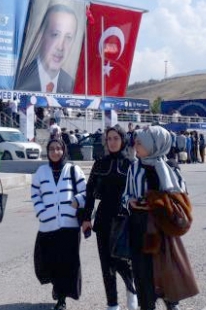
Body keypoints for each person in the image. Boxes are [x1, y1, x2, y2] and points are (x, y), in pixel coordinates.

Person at [122, 126, 197, 310]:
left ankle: (172, 303)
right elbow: (125, 195)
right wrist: (130, 202)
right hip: (139, 229)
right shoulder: (134, 167)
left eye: (140, 143)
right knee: (142, 275)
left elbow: (182, 199)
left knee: (167, 273)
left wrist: (156, 202)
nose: (135, 146)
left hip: (163, 231)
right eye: (136, 142)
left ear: (154, 144)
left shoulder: (171, 168)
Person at [82, 125, 138, 310]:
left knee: (124, 262)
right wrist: (86, 218)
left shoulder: (132, 163)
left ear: (123, 140)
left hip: (125, 221)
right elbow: (89, 192)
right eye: (109, 139)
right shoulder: (100, 163)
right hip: (104, 221)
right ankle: (112, 304)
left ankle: (132, 292)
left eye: (116, 138)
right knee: (107, 265)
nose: (112, 142)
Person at [31, 138, 87, 310]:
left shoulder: (73, 170)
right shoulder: (41, 171)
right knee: (50, 260)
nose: (55, 152)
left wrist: (76, 202)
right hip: (48, 225)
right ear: (47, 152)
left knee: (68, 262)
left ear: (64, 150)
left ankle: (62, 298)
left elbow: (85, 191)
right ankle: (57, 288)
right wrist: (42, 212)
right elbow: (35, 194)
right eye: (52, 149)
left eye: (58, 149)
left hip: (69, 225)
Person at [16, 4, 79, 93]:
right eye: (55, 35)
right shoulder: (18, 80)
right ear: (41, 36)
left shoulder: (73, 86)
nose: (61, 47)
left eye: (68, 37)